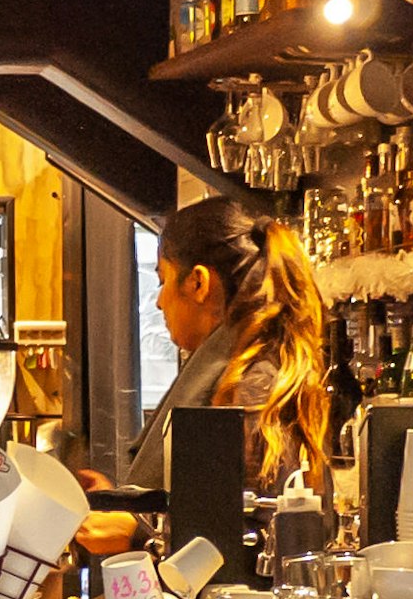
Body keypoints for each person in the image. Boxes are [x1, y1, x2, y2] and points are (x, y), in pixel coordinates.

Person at [100, 191, 333, 541]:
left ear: (198, 282)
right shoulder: (250, 368)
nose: (159, 301)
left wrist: (140, 535)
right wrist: (118, 503)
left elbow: (252, 537)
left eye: (163, 280)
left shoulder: (248, 386)